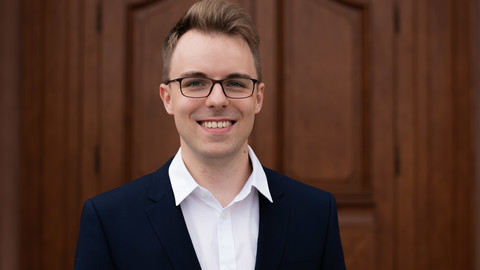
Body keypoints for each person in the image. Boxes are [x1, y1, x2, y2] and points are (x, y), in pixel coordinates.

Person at [74, 0, 346, 269]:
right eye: (195, 82)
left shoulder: (316, 214)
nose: (217, 100)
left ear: (258, 97)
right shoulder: (108, 221)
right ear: (167, 98)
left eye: (236, 83)